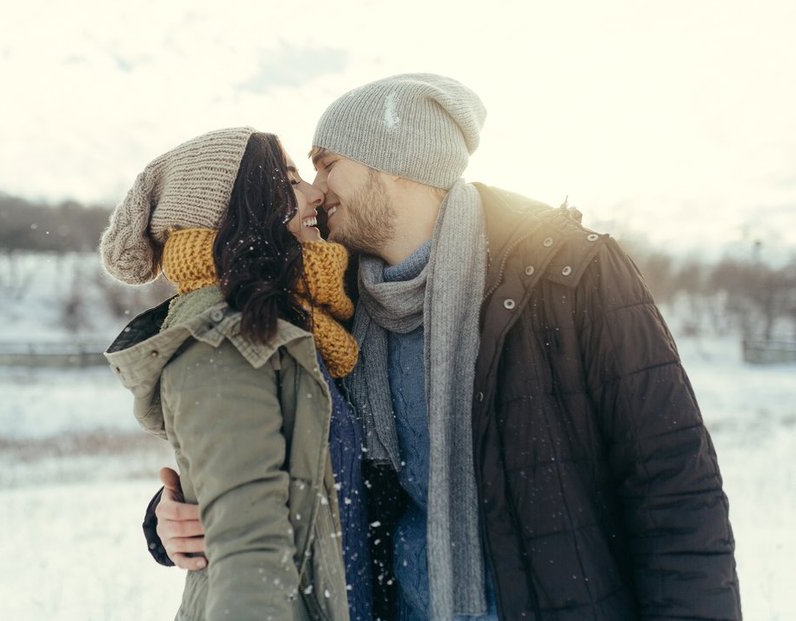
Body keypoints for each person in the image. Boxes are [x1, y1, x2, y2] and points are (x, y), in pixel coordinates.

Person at [146, 75, 742, 621]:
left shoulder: (568, 271)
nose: (316, 190)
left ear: (397, 165)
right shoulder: (331, 303)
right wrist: (172, 517)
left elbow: (672, 484)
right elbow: (283, 449)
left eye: (327, 164)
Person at [101, 127, 372, 620]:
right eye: (290, 179)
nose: (315, 191)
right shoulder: (226, 341)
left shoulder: (309, 320)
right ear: (238, 210)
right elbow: (252, 553)